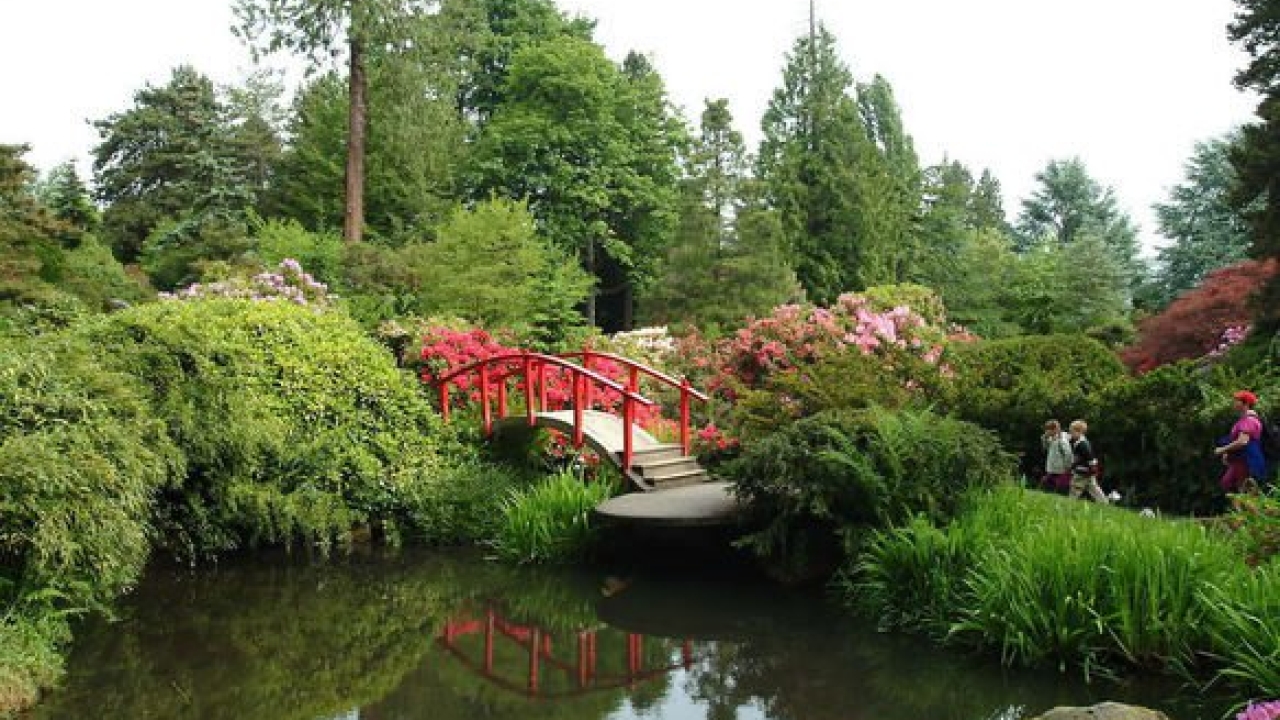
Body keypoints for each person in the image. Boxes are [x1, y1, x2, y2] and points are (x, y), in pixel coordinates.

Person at [1214, 390, 1265, 494]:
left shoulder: (1249, 420)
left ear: (1245, 404)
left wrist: (1222, 449)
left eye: (1237, 401)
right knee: (1232, 484)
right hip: (1239, 459)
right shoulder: (1243, 419)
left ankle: (1249, 509)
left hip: (1246, 460)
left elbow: (1242, 441)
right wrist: (1227, 453)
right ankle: (1245, 509)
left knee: (1239, 486)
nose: (1234, 403)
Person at [1068, 420, 1108, 504]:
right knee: (1093, 487)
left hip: (1083, 469)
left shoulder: (1083, 444)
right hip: (1087, 470)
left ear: (1080, 432)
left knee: (1076, 486)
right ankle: (1103, 502)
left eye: (1072, 432)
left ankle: (1071, 501)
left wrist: (1093, 467)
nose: (1070, 434)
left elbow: (1090, 456)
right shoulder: (1079, 442)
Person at [1040, 419, 1072, 492]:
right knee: (1047, 483)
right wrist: (1044, 439)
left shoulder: (1062, 440)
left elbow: (1068, 453)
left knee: (1059, 486)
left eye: (1048, 430)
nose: (1046, 432)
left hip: (1060, 468)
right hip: (1052, 467)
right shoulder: (1051, 438)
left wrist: (1067, 466)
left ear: (1055, 430)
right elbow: (1046, 448)